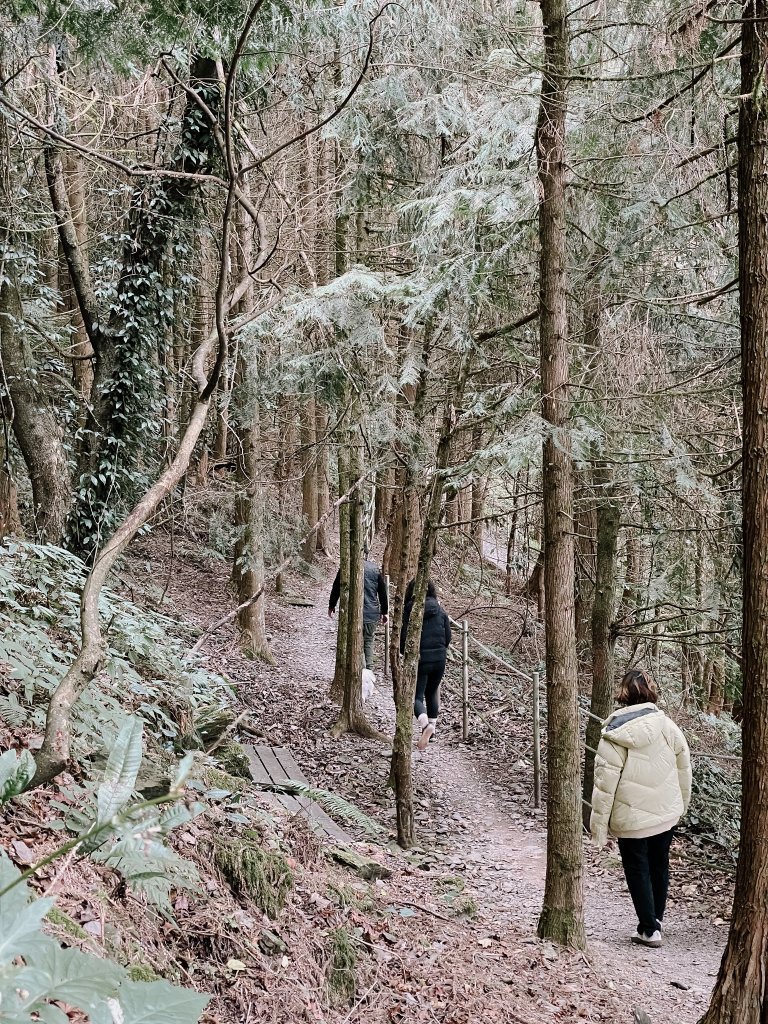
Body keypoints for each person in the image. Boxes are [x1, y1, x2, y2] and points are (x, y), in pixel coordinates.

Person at [590, 668, 692, 948]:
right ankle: (653, 923)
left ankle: (649, 928)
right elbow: (684, 768)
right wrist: (682, 804)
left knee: (638, 868)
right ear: (650, 692)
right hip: (665, 812)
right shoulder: (668, 726)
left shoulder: (613, 734)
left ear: (624, 695)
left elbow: (604, 785)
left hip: (631, 817)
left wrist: (597, 828)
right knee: (659, 865)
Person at [400, 579, 451, 750]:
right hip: (440, 659)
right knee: (432, 693)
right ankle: (432, 731)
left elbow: (404, 635)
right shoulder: (439, 609)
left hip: (421, 659)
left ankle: (425, 726)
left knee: (416, 696)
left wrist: (403, 652)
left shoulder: (410, 609)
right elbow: (448, 636)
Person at [328, 555, 388, 671]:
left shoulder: (347, 568)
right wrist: (384, 612)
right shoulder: (375, 569)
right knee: (369, 641)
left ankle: (362, 672)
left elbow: (336, 588)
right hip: (371, 614)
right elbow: (382, 592)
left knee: (357, 643)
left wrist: (332, 605)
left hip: (354, 614)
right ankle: (369, 671)